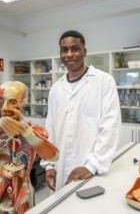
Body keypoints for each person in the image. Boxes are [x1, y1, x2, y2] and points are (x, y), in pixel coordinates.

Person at [40, 30, 121, 191]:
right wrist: (49, 165)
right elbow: (50, 130)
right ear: (60, 54)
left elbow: (110, 127)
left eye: (75, 48)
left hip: (90, 168)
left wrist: (91, 166)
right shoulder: (56, 89)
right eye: (64, 50)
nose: (69, 54)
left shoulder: (103, 81)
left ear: (84, 52)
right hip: (60, 167)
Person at [0, 81, 59, 213]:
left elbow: (54, 156)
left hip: (22, 194)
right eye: (1, 101)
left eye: (12, 102)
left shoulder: (34, 131)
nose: (4, 107)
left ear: (23, 103)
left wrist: (27, 133)